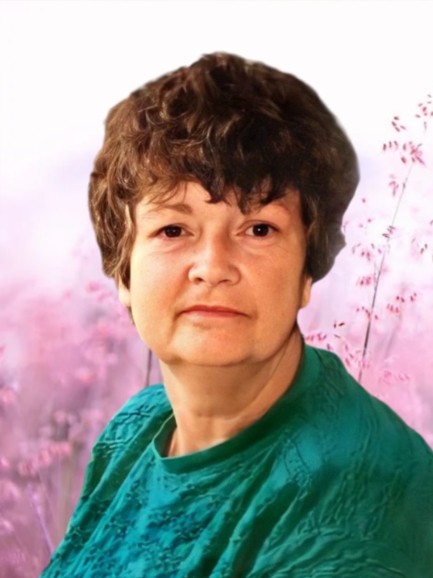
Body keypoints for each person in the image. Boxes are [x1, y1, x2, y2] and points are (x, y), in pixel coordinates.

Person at [40, 53, 433, 577]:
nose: (213, 267)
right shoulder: (135, 430)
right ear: (123, 275)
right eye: (173, 230)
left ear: (307, 270)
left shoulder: (357, 501)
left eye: (258, 229)